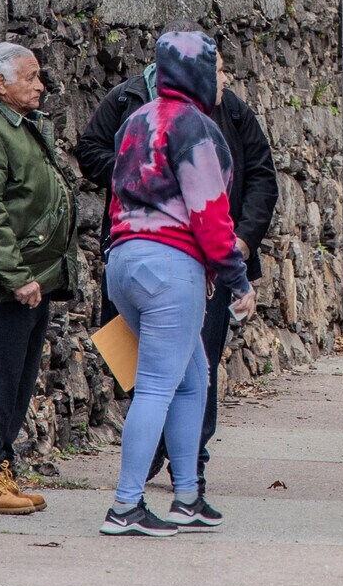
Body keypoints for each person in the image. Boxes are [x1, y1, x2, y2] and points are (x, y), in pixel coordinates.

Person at [76, 24, 277, 495]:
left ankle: (187, 490)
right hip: (172, 268)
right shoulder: (194, 128)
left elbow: (119, 195)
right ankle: (128, 503)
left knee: (191, 379)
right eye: (214, 67)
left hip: (124, 260)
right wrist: (238, 276)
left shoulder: (138, 119)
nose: (221, 78)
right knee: (156, 385)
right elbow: (209, 214)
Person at [0, 42, 75, 516]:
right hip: (12, 280)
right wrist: (16, 275)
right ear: (2, 83)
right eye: (30, 77)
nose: (40, 84)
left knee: (19, 376)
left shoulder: (17, 124)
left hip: (33, 277)